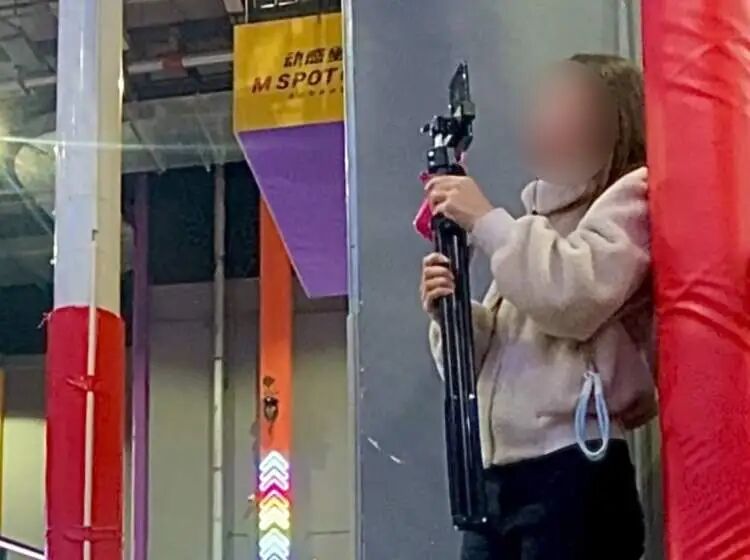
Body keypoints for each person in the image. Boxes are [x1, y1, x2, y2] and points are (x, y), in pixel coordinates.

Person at [420, 54, 656, 560]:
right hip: (499, 478)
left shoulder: (630, 199)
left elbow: (573, 296)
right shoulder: (533, 224)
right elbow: (491, 355)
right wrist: (451, 311)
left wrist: (487, 221)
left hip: (574, 465)